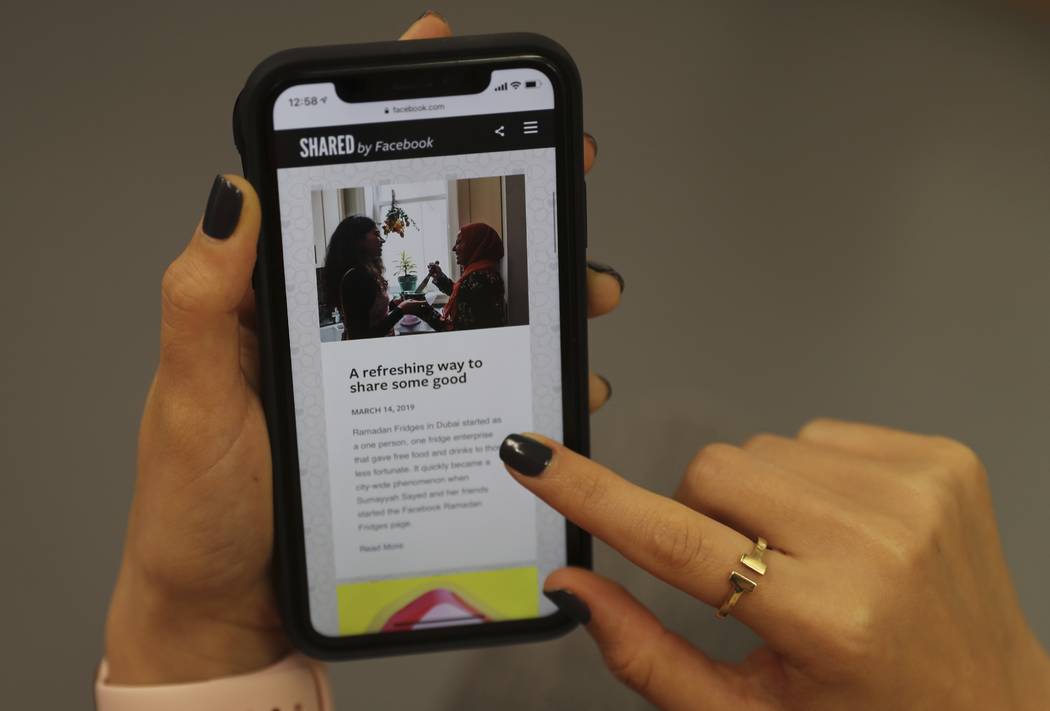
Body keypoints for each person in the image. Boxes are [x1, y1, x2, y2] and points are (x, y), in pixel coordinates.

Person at [97, 12, 1050, 711]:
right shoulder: (410, 288)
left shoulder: (369, 286)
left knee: (660, 449)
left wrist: (193, 642)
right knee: (661, 453)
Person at [322, 214, 408, 340]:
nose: (382, 240)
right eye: (376, 234)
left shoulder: (366, 272)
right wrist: (402, 309)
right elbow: (362, 336)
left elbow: (371, 315)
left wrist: (394, 305)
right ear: (358, 240)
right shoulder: (355, 277)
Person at [419, 222, 508, 331]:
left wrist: (421, 310)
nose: (453, 248)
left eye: (459, 242)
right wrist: (440, 277)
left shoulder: (481, 279)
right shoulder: (482, 273)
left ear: (474, 244)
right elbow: (462, 294)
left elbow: (457, 327)